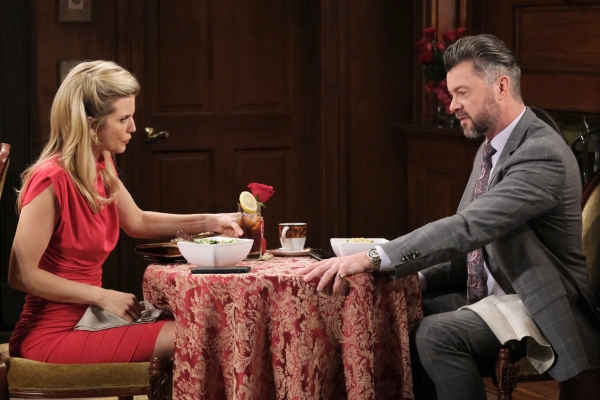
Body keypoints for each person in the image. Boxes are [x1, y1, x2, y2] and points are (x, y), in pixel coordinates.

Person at [298, 34, 600, 399]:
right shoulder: (490, 148)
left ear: (501, 86)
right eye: (451, 94)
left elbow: (469, 227)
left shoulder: (541, 153)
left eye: (462, 93)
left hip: (538, 302)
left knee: (437, 335)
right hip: (488, 295)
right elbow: (471, 250)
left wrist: (374, 257)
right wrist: (415, 279)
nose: (452, 105)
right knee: (397, 315)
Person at [8, 60, 243, 364]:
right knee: (198, 334)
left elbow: (138, 221)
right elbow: (20, 275)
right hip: (51, 334)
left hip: (90, 319)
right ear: (91, 125)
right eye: (123, 119)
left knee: (207, 321)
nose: (133, 127)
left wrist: (214, 220)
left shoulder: (100, 164)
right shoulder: (51, 180)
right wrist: (102, 296)